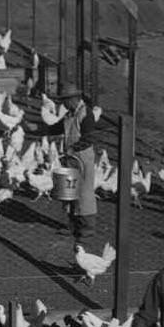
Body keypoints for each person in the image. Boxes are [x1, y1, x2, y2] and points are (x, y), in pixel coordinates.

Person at [56, 81, 99, 242]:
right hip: (71, 157)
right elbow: (58, 128)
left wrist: (74, 147)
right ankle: (71, 225)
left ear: (73, 99)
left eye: (65, 100)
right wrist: (38, 129)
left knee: (85, 193)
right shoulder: (70, 114)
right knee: (69, 191)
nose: (63, 104)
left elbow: (89, 138)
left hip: (83, 157)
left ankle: (87, 229)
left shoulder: (85, 114)